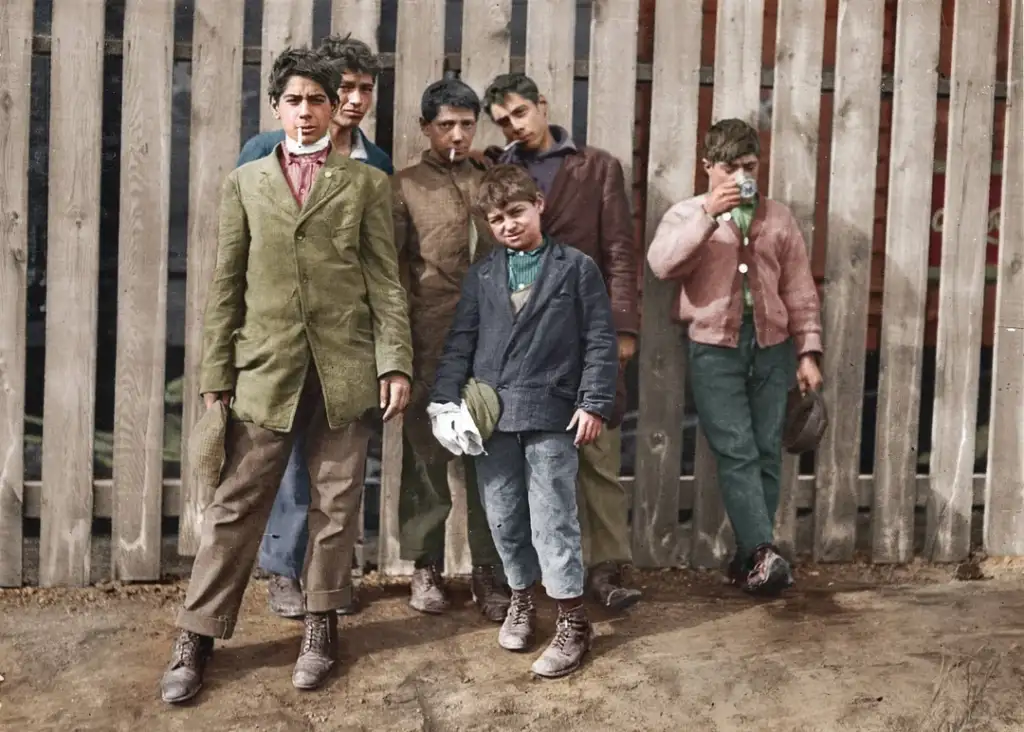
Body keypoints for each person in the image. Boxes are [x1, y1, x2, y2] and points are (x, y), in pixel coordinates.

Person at [159, 49, 412, 703]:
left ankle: (320, 626)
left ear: (336, 109)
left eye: (319, 100)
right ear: (277, 108)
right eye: (295, 100)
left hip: (344, 370)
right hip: (264, 372)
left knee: (336, 505)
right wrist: (217, 370)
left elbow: (386, 285)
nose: (306, 112)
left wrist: (393, 363)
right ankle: (197, 634)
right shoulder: (247, 182)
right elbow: (225, 288)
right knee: (237, 503)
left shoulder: (366, 186)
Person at [431, 164, 618, 678]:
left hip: (553, 412)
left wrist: (594, 401)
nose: (508, 225)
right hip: (493, 417)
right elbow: (460, 343)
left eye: (516, 212)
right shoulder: (484, 275)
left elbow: (600, 341)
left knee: (553, 516)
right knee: (503, 516)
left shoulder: (575, 268)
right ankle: (520, 598)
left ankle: (572, 620)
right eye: (496, 219)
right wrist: (444, 403)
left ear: (539, 205)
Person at [236, 34, 392, 620]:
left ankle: (327, 577)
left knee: (338, 465)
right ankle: (282, 570)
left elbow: (379, 260)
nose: (352, 100)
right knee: (280, 459)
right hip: (279, 335)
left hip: (344, 337)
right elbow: (250, 240)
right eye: (342, 88)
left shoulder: (373, 165)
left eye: (362, 90)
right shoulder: (262, 150)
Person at [482, 73, 641, 611]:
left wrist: (622, 328)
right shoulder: (503, 174)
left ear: (542, 105)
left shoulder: (596, 167)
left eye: (521, 113)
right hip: (527, 340)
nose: (514, 126)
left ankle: (606, 568)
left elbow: (619, 249)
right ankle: (532, 580)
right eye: (503, 121)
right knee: (526, 460)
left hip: (587, 329)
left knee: (595, 450)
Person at [646, 118, 823, 595]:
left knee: (767, 450)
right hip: (713, 347)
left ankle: (751, 556)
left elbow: (800, 288)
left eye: (749, 166)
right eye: (730, 168)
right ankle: (764, 552)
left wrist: (808, 352)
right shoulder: (686, 214)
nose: (741, 177)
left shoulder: (779, 218)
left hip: (772, 346)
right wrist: (709, 214)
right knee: (736, 449)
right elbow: (662, 265)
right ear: (708, 167)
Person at [391, 78, 511, 621]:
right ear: (425, 128)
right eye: (446, 126)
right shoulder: (404, 186)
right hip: (427, 340)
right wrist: (398, 356)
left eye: (467, 124)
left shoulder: (493, 182)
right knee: (426, 461)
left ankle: (489, 569)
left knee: (488, 456)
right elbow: (392, 274)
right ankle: (425, 566)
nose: (458, 135)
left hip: (489, 344)